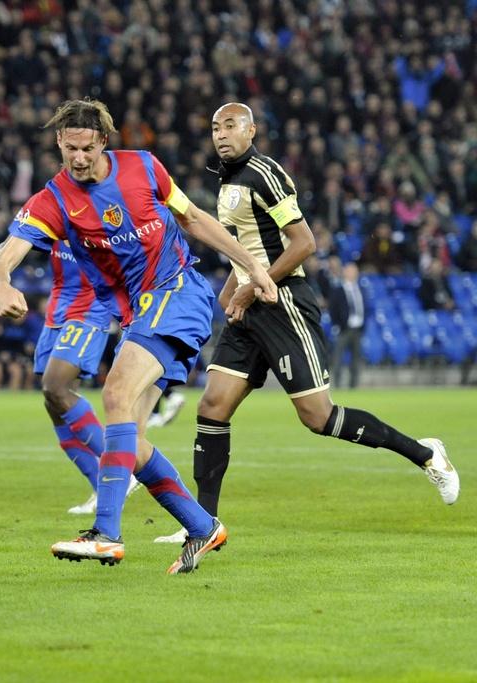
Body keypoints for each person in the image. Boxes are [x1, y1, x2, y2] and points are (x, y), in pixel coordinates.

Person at [0, 99, 279, 574]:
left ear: (102, 141)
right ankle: (203, 526)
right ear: (58, 144)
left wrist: (251, 265)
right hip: (140, 311)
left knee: (115, 392)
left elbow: (194, 219)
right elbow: (5, 256)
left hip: (177, 291)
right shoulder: (54, 199)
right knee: (132, 441)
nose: (77, 158)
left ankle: (106, 533)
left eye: (86, 147)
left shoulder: (143, 167)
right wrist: (1, 285)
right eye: (68, 148)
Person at [154, 103, 458, 544]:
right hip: (249, 305)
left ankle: (427, 454)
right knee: (212, 407)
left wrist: (251, 285)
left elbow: (304, 243)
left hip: (284, 303)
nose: (222, 133)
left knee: (317, 417)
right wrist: (233, 290)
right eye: (216, 125)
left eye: (231, 125)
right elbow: (246, 245)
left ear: (252, 130)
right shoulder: (226, 181)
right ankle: (202, 525)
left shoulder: (264, 172)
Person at [0, 241, 140, 515]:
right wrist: (0, 258)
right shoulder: (53, 207)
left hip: (90, 310)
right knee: (53, 403)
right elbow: (25, 237)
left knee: (56, 388)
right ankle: (102, 489)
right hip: (57, 312)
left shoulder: (99, 210)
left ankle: (121, 466)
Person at [327, 260, 365, 389]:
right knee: (338, 357)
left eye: (354, 270)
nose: (353, 273)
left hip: (358, 329)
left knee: (356, 358)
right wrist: (337, 324)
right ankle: (337, 384)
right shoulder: (338, 290)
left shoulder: (361, 289)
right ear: (345, 272)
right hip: (344, 329)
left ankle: (353, 385)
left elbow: (365, 307)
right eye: (350, 270)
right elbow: (333, 309)